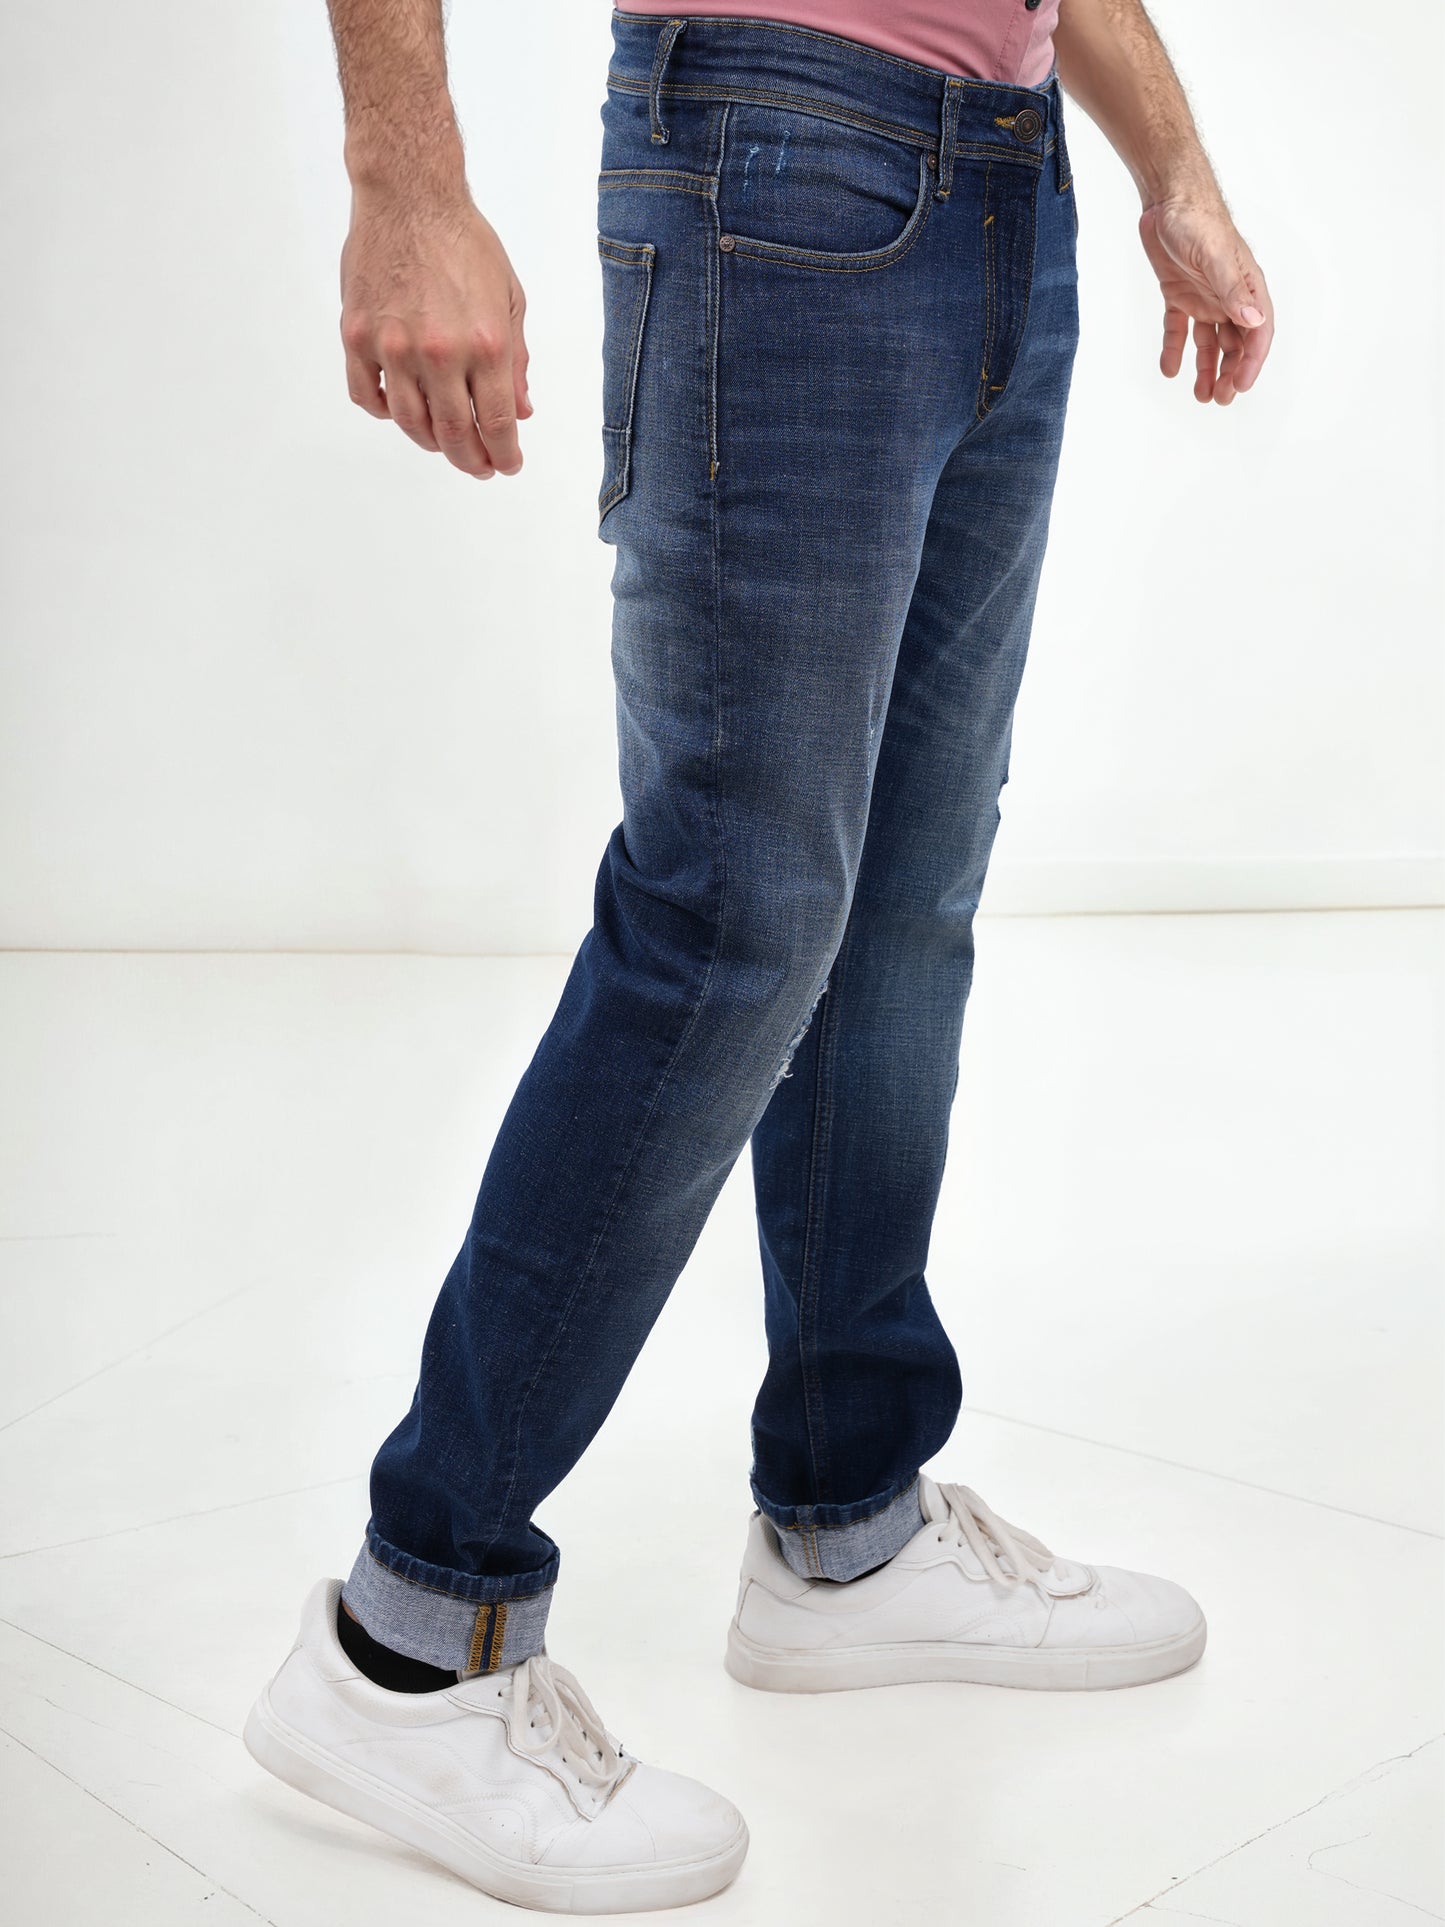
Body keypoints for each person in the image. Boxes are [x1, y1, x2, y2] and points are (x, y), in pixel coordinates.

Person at [245, 1, 1274, 1911]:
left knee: (901, 900)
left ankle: (845, 1525)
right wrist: (406, 182)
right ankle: (410, 1639)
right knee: (728, 917)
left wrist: (1171, 164)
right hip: (779, 159)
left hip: (1004, 181)